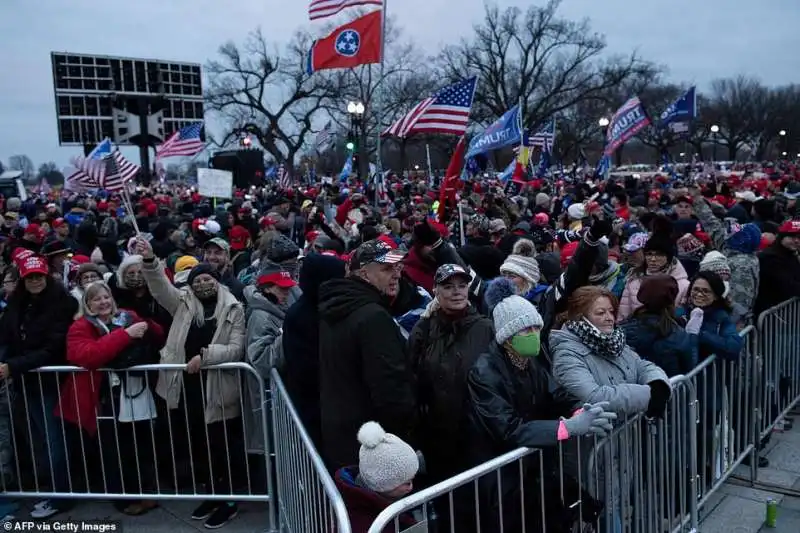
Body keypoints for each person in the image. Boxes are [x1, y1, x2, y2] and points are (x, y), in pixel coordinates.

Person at [466, 278, 615, 532]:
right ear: (507, 336)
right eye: (526, 331)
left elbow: (555, 395)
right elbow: (507, 429)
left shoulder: (530, 361)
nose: (534, 335)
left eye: (536, 328)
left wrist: (581, 410)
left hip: (536, 475)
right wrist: (566, 428)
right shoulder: (485, 372)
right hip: (503, 481)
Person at [136, 236, 247, 529]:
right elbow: (160, 287)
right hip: (186, 389)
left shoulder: (234, 307)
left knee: (222, 447)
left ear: (217, 280)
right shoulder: (183, 304)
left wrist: (206, 356)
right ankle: (212, 493)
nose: (202, 285)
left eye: (207, 279)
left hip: (219, 391)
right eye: (197, 281)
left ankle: (230, 500)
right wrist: (150, 260)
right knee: (200, 446)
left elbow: (237, 347)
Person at [57, 281, 164, 516]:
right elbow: (86, 355)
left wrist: (146, 323)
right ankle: (123, 499)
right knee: (115, 450)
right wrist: (125, 336)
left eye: (106, 297)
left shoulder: (127, 316)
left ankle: (147, 493)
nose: (103, 302)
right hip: (104, 397)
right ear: (87, 304)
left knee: (142, 443)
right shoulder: (80, 326)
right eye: (96, 299)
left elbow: (156, 335)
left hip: (135, 390)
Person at [317, 240, 417, 469]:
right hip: (374, 442)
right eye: (386, 269)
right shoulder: (372, 316)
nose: (396, 275)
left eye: (397, 268)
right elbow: (390, 387)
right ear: (364, 274)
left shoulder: (336, 308)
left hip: (345, 435)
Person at [0, 255, 78, 518]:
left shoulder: (63, 303)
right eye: (29, 277)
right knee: (41, 439)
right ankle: (53, 488)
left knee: (54, 439)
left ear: (46, 276)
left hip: (50, 381)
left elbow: (53, 349)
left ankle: (62, 496)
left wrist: (13, 365)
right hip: (25, 382)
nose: (34, 281)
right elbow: (7, 337)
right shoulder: (16, 304)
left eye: (38, 276)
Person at [408, 264, 493, 486]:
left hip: (476, 438)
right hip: (436, 439)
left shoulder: (486, 328)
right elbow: (411, 378)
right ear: (435, 290)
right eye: (448, 286)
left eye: (462, 286)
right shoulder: (424, 328)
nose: (457, 292)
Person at [281, 253, 346, 448]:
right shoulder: (301, 315)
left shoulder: (329, 307)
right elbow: (305, 369)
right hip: (315, 407)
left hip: (331, 404)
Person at [334, 422, 419, 533]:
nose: (411, 488)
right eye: (407, 482)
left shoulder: (366, 497)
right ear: (384, 484)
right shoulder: (365, 525)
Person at [619, 275, 699, 377]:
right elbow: (690, 366)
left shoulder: (623, 328)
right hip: (668, 389)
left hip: (635, 389)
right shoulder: (678, 334)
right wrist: (693, 335)